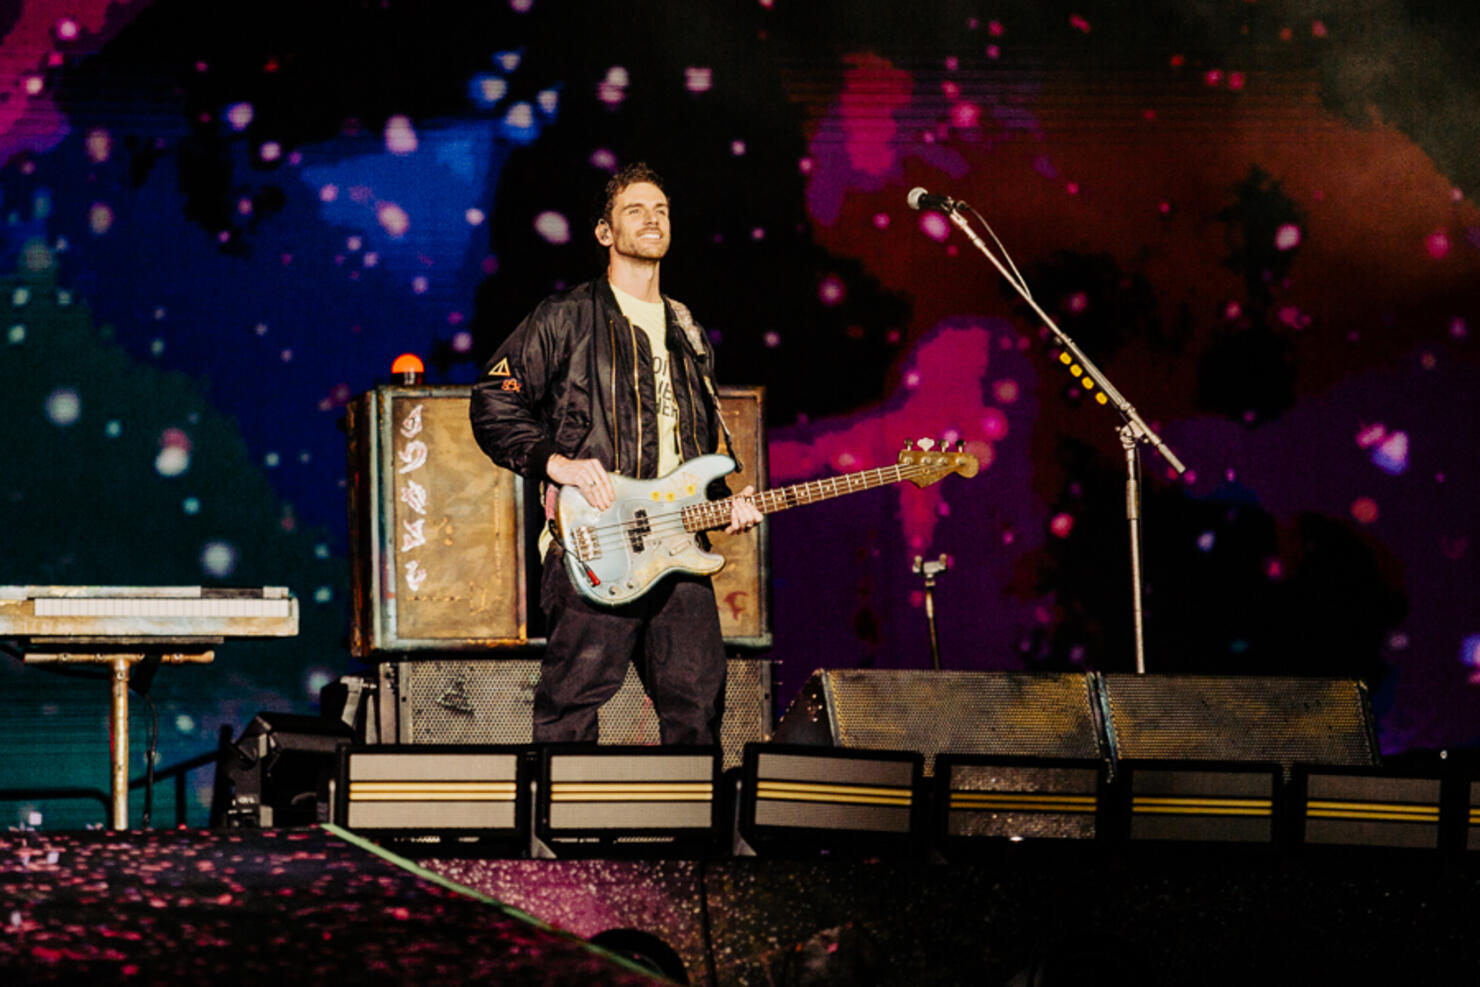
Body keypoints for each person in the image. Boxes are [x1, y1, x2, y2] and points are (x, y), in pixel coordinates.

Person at [470, 162, 762, 746]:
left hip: (678, 545)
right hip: (594, 538)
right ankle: (563, 834)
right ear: (605, 232)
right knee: (573, 704)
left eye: (661, 210)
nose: (652, 220)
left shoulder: (687, 329)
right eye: (635, 210)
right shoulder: (565, 317)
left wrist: (727, 503)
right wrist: (557, 463)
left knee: (696, 705)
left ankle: (692, 834)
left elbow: (698, 444)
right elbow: (493, 400)